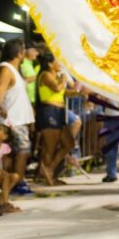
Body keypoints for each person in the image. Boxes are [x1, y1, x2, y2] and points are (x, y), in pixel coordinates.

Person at [0, 39, 35, 197]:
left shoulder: (15, 69)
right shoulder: (5, 69)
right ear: (19, 52)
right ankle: (16, 181)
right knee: (21, 151)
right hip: (12, 120)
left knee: (15, 153)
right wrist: (1, 112)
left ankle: (13, 182)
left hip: (19, 120)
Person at [33, 53, 82, 186]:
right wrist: (64, 78)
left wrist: (78, 88)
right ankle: (48, 173)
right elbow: (57, 87)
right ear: (50, 64)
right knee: (50, 147)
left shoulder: (57, 76)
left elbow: (65, 93)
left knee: (69, 143)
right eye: (57, 62)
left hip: (59, 112)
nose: (60, 64)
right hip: (49, 111)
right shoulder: (45, 75)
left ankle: (49, 168)